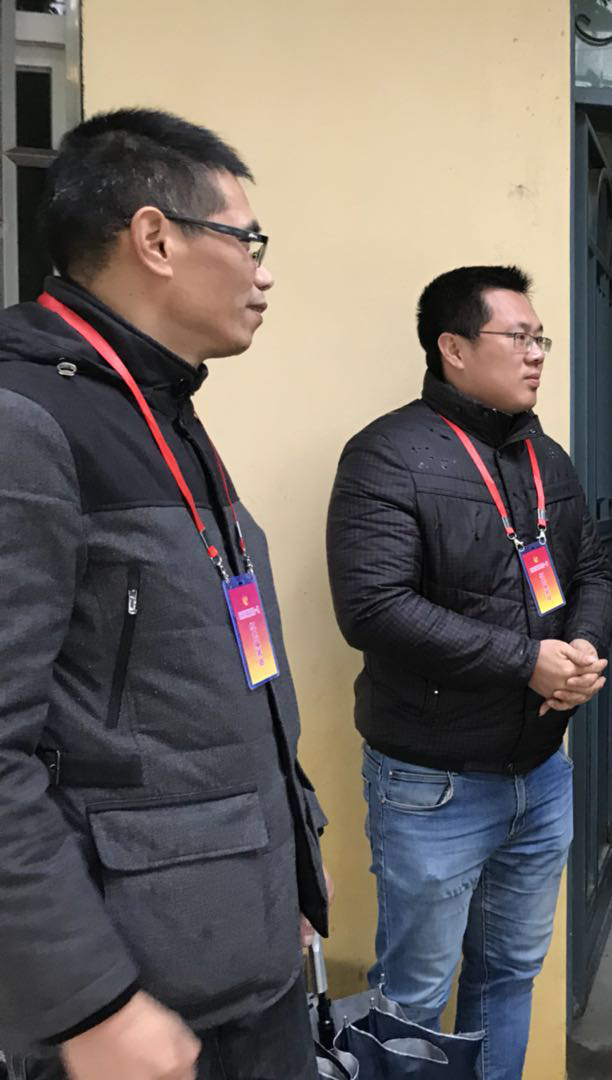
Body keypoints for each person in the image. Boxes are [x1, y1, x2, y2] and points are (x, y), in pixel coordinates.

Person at [0, 109, 330, 1080]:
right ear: (155, 238)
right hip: (135, 1007)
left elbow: (195, 691)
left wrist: (284, 876)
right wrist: (89, 1001)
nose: (263, 274)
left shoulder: (160, 407)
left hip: (238, 954)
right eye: (248, 241)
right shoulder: (28, 421)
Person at [326, 265, 612, 1080]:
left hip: (540, 773)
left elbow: (595, 567)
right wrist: (527, 662)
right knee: (415, 997)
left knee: (508, 977)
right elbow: (374, 607)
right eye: (517, 337)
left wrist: (581, 648)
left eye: (540, 338)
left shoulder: (543, 455)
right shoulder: (388, 455)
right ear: (453, 348)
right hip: (435, 785)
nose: (537, 354)